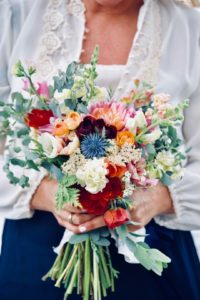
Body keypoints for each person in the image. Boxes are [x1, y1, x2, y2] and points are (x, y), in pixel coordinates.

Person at [0, 0, 200, 299]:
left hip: (153, 255)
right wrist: (45, 192)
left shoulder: (191, 30)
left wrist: (157, 198)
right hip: (34, 254)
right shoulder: (15, 15)